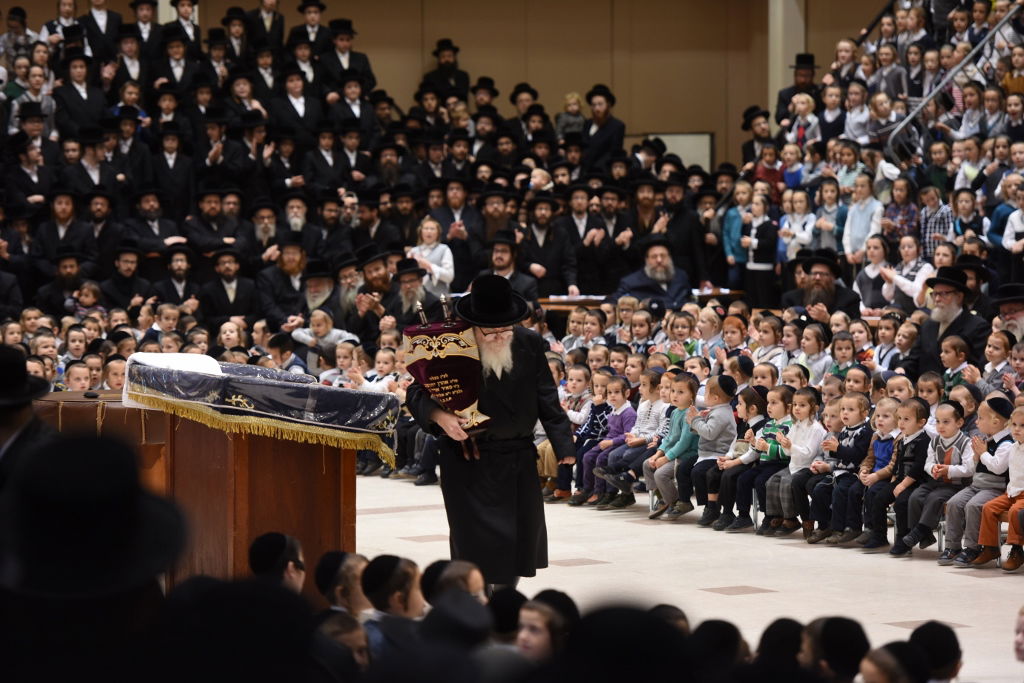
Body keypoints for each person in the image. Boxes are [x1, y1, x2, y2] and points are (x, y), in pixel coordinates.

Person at [404, 275, 574, 587]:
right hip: (467, 460)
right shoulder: (450, 344)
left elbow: (547, 397)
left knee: (517, 543)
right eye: (490, 330)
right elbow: (416, 394)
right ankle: (478, 601)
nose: (498, 335)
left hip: (517, 458)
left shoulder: (530, 342)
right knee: (475, 546)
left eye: (504, 328)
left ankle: (504, 602)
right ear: (472, 325)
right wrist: (440, 417)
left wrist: (565, 448)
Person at [896, 266, 990, 380]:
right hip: (923, 391)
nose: (937, 299)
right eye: (934, 294)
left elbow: (974, 367)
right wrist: (902, 369)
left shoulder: (977, 327)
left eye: (943, 294)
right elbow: (914, 358)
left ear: (959, 296)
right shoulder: (928, 325)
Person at [611, 236, 691, 310]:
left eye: (663, 256)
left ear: (669, 257)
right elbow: (612, 303)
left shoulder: (681, 276)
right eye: (654, 257)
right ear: (646, 260)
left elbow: (690, 299)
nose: (659, 260)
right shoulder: (630, 282)